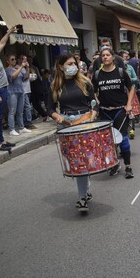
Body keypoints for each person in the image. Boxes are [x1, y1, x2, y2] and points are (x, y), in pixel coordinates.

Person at [48, 53, 97, 212]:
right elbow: (49, 109)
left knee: (83, 160)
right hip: (66, 126)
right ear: (61, 67)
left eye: (74, 63)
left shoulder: (85, 82)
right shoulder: (56, 85)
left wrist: (92, 116)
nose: (73, 66)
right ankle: (84, 191)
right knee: (76, 161)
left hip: (84, 123)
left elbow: (94, 104)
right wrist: (58, 118)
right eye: (69, 64)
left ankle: (82, 197)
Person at [92, 47, 135, 179]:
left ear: (113, 57)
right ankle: (114, 164)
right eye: (102, 55)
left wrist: (129, 104)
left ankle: (128, 167)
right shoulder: (97, 75)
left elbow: (131, 87)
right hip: (105, 112)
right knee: (109, 141)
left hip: (120, 110)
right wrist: (96, 101)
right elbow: (93, 91)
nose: (105, 57)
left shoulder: (121, 72)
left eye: (107, 55)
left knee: (123, 139)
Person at [5, 53, 31, 137]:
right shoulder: (8, 70)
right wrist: (21, 67)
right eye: (12, 59)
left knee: (20, 111)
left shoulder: (18, 68)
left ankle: (21, 127)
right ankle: (12, 129)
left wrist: (27, 68)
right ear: (8, 61)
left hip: (21, 91)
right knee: (12, 111)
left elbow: (26, 77)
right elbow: (13, 76)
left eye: (15, 59)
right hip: (12, 92)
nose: (14, 61)